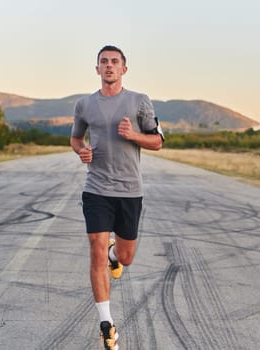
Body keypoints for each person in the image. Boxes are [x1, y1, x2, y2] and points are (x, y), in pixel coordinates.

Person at [70, 45, 163, 350]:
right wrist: (80, 150)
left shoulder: (139, 102)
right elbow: (75, 138)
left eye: (114, 62)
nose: (109, 66)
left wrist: (133, 135)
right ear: (96, 69)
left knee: (125, 257)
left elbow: (157, 142)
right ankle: (106, 325)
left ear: (124, 69)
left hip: (129, 192)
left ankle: (115, 255)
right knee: (95, 250)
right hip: (96, 188)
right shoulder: (84, 105)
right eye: (103, 62)